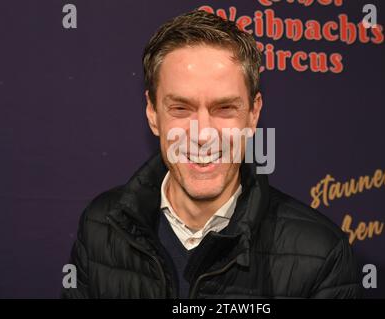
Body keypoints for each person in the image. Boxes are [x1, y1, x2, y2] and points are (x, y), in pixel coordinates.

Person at [62, 10, 361, 299]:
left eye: (225, 109)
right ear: (152, 113)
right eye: (181, 108)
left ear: (253, 114)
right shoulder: (100, 226)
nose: (203, 134)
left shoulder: (321, 255)